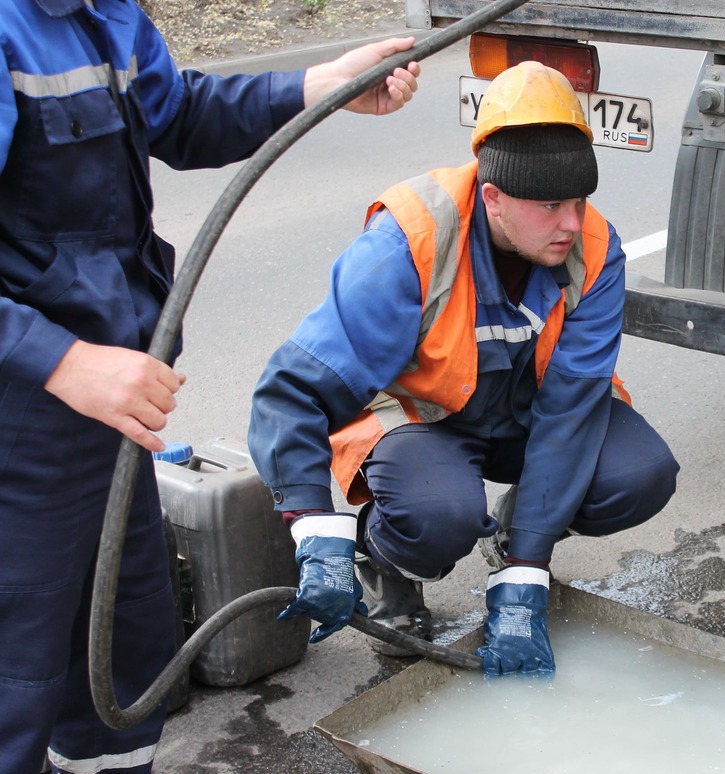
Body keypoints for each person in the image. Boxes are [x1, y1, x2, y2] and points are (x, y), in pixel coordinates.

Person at [0, 0, 421, 774]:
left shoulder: (103, 13)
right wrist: (59, 361)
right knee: (15, 679)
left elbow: (179, 114)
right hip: (22, 415)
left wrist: (316, 85)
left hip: (107, 412)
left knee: (122, 657)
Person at [247, 60, 679, 677]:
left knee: (639, 475)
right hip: (426, 425)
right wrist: (314, 529)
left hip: (530, 419)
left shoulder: (593, 248)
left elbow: (573, 405)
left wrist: (528, 570)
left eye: (579, 201)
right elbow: (292, 391)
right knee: (439, 517)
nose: (570, 223)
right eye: (550, 204)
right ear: (493, 198)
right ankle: (387, 562)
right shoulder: (411, 239)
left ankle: (520, 531)